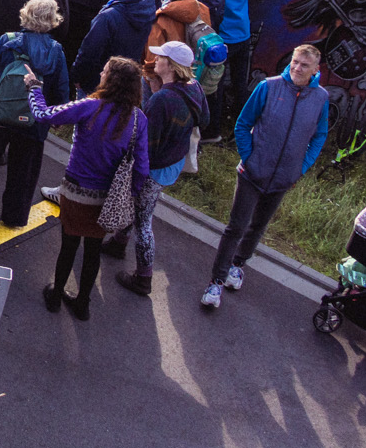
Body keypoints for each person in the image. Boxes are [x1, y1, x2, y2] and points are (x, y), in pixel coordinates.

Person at [200, 43, 330, 311]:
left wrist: (301, 167)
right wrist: (250, 158)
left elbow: (319, 136)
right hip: (252, 173)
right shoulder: (268, 87)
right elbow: (243, 124)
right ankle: (216, 283)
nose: (297, 68)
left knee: (258, 226)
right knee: (236, 227)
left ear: (316, 70)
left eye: (304, 65)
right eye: (294, 62)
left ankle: (238, 265)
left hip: (283, 178)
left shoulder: (321, 98)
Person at [22, 55, 147, 321]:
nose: (100, 74)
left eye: (104, 71)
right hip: (107, 199)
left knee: (68, 246)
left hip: (75, 192)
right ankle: (82, 304)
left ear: (111, 80)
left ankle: (55, 296)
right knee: (92, 251)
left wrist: (34, 87)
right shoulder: (138, 119)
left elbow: (44, 115)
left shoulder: (90, 106)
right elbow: (142, 168)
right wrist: (130, 195)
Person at [104, 39, 207, 296]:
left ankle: (143, 278)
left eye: (160, 57)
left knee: (143, 219)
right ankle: (118, 243)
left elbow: (144, 143)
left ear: (170, 66)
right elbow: (204, 118)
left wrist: (133, 171)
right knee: (139, 205)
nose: (155, 60)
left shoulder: (162, 100)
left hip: (154, 167)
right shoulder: (194, 87)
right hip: (173, 163)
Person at [0, 0, 69, 228]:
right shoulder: (56, 50)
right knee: (23, 172)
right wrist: (56, 117)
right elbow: (61, 87)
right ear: (52, 20)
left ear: (26, 15)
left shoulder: (7, 41)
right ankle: (14, 217)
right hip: (34, 120)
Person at [73, 0, 155, 90]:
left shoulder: (107, 17)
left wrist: (77, 77)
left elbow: (89, 53)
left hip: (103, 83)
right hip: (130, 81)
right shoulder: (149, 9)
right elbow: (129, 2)